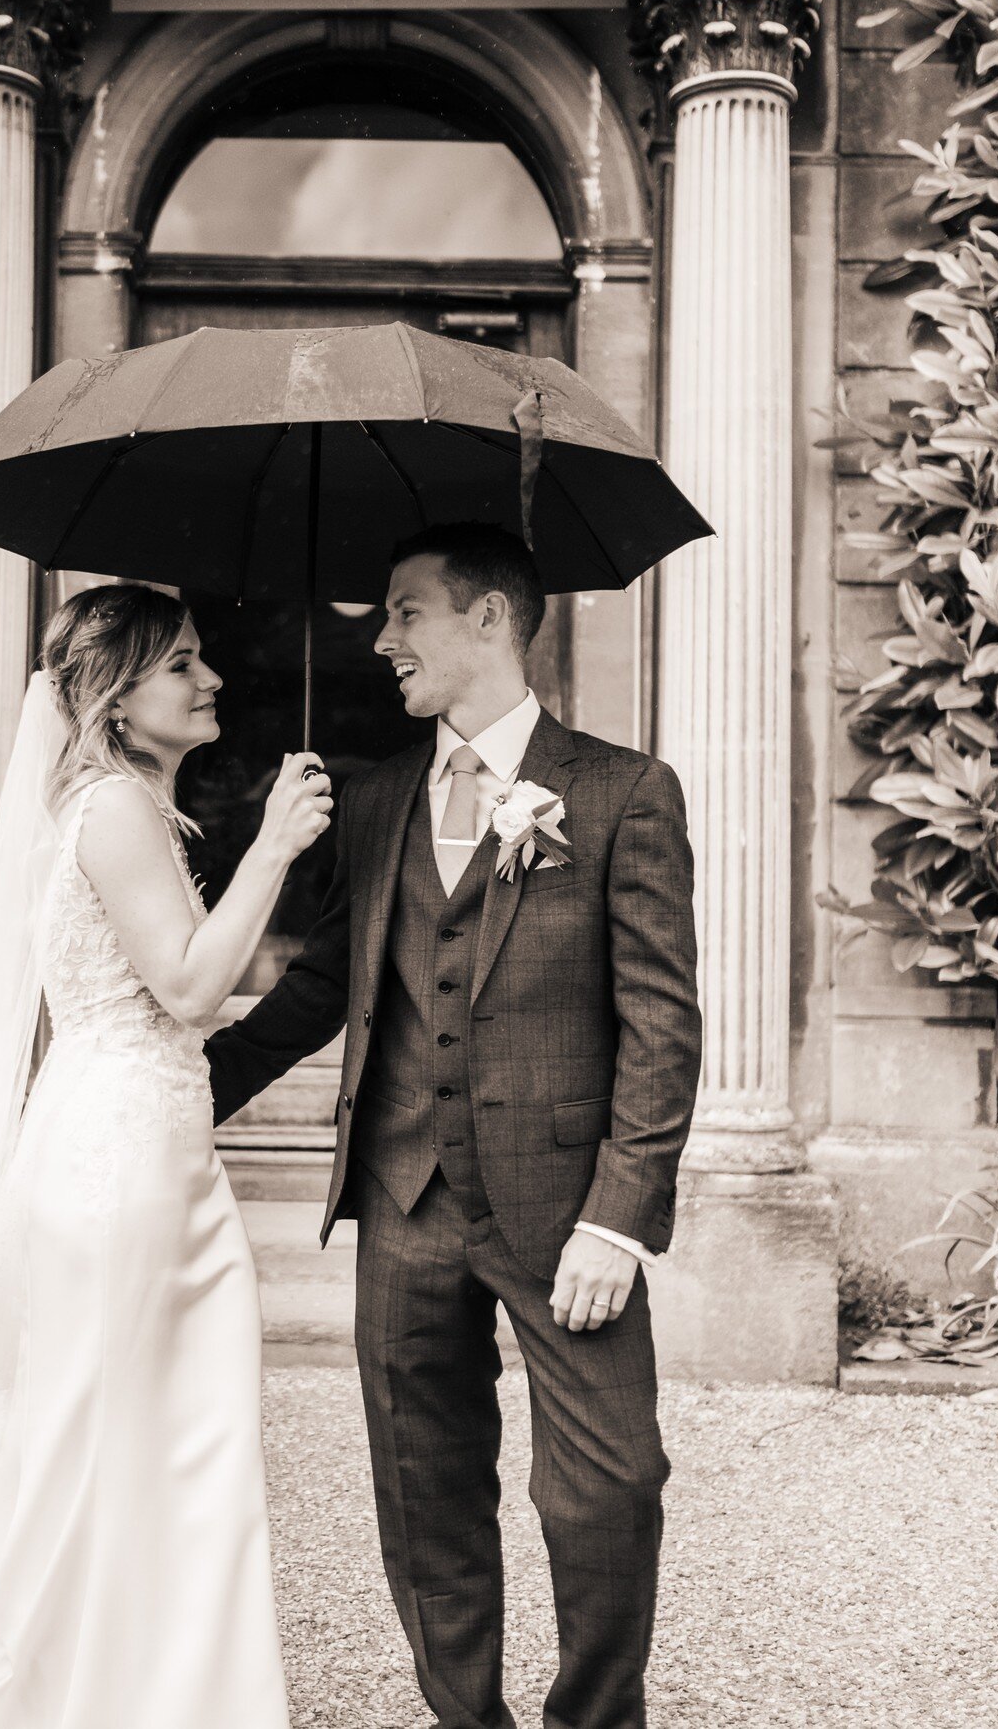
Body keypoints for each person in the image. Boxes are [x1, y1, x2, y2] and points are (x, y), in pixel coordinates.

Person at [206, 522, 702, 1729]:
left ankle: (594, 1718)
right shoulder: (372, 798)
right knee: (424, 1486)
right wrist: (178, 1091)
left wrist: (620, 1220)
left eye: (406, 611)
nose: (382, 641)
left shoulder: (620, 790)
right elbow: (327, 988)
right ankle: (462, 1718)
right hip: (404, 1198)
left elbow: (662, 1024)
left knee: (612, 1486)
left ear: (490, 619)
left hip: (563, 1212)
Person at [0, 583, 332, 1729]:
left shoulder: (115, 804)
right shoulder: (118, 810)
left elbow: (153, 1002)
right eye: (180, 663)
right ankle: (69, 1689)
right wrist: (276, 846)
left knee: (135, 1425)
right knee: (131, 1428)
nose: (211, 678)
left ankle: (128, 1686)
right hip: (122, 1164)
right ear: (116, 698)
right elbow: (187, 984)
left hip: (136, 1139)